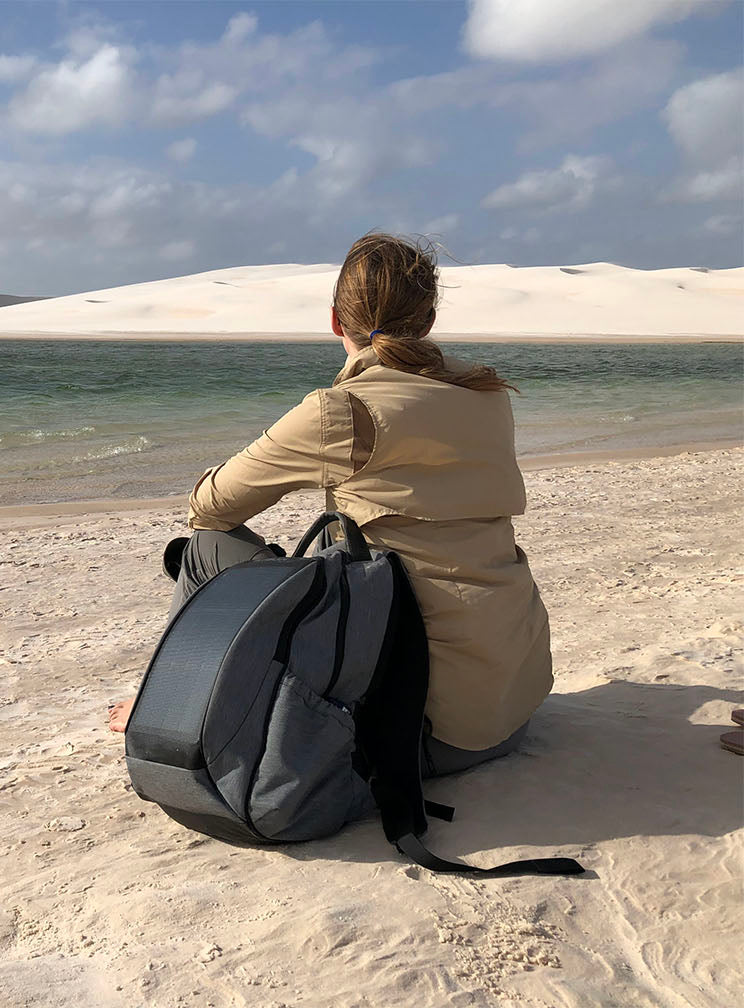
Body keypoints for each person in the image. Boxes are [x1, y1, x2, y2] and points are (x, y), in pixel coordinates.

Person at [110, 232, 552, 779]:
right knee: (341, 547)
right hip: (508, 710)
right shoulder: (486, 394)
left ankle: (174, 701)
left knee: (206, 548)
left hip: (419, 730)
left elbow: (212, 504)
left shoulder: (343, 410)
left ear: (336, 321)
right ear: (429, 320)